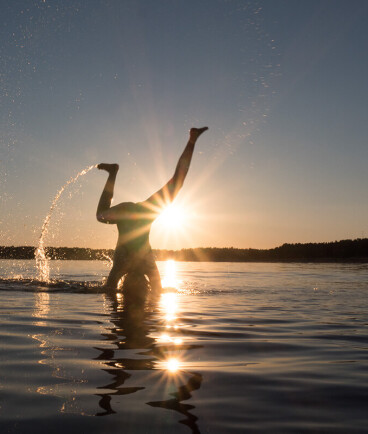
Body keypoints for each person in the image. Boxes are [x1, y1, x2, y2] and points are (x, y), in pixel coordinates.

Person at [97, 126, 208, 292]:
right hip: (141, 214)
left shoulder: (126, 266)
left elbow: (110, 289)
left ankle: (113, 173)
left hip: (136, 214)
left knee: (177, 184)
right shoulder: (143, 267)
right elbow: (113, 288)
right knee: (176, 184)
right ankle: (112, 173)